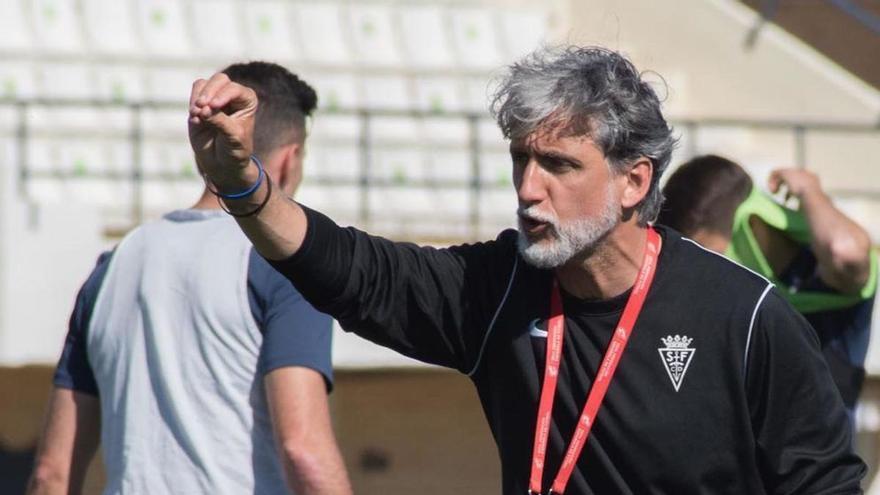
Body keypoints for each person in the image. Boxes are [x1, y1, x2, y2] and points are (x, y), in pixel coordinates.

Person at [189, 46, 865, 493]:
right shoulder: (500, 287)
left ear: (634, 181)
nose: (529, 188)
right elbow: (352, 270)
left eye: (559, 165)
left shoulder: (743, 316)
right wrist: (242, 182)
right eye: (521, 159)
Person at [26, 62, 352, 495]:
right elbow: (304, 450)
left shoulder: (113, 266)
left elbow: (51, 474)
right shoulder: (285, 266)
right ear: (290, 160)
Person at [658, 154, 877, 422]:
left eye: (710, 256)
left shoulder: (821, 275)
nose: (702, 275)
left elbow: (846, 252)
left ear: (750, 222)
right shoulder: (724, 302)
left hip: (817, 460)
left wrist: (809, 189)